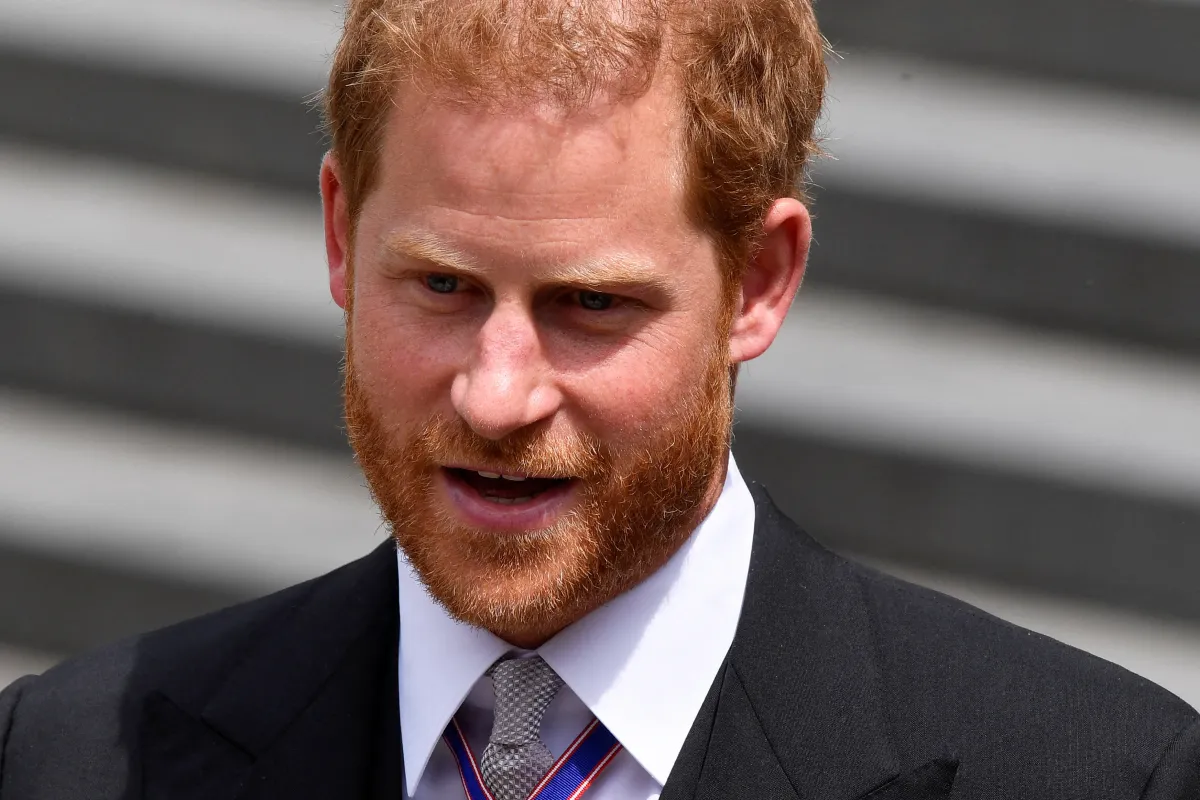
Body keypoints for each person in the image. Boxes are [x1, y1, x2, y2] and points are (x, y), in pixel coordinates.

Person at [2, 0, 1198, 797]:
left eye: (589, 305)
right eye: (441, 284)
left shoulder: (1091, 773)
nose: (498, 392)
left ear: (759, 281)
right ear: (337, 234)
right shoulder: (67, 761)